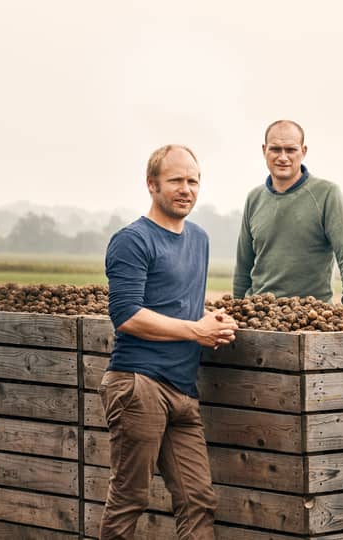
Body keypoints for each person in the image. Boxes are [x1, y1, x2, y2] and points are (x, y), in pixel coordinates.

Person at [101, 144, 238, 539]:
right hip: (138, 384)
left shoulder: (199, 238)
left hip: (182, 389)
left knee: (198, 500)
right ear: (151, 184)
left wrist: (210, 320)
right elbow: (126, 315)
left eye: (193, 181)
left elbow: (180, 305)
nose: (186, 189)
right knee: (129, 498)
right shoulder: (132, 240)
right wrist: (197, 331)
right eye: (176, 180)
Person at [233, 120, 343, 305]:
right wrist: (236, 308)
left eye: (291, 150)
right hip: (260, 313)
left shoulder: (327, 194)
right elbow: (243, 266)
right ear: (264, 150)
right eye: (275, 149)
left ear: (303, 151)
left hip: (311, 316)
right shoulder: (254, 198)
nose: (283, 157)